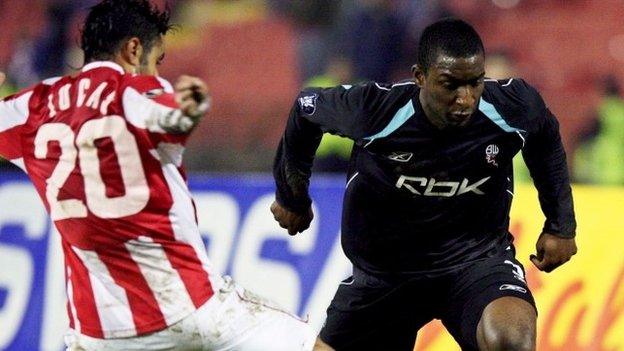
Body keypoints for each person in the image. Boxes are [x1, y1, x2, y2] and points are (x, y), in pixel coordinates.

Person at [0, 1, 315, 350]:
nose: (157, 73)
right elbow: (167, 114)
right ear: (134, 49)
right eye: (157, 61)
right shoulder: (136, 91)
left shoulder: (33, 107)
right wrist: (190, 107)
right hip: (186, 311)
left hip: (96, 333)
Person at [271, 18, 577, 351]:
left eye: (476, 82)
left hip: (477, 264)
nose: (466, 99)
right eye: (451, 85)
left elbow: (545, 137)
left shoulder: (512, 106)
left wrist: (561, 226)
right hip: (384, 277)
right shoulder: (377, 110)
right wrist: (292, 198)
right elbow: (305, 110)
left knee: (511, 340)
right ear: (420, 76)